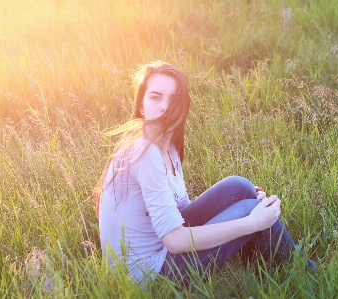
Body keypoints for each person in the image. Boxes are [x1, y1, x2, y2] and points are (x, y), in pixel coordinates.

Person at [96, 61, 316, 285]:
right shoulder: (144, 151)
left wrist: (239, 204)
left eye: (173, 100)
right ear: (141, 105)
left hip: (161, 250)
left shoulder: (167, 147)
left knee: (240, 188)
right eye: (155, 97)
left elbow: (179, 215)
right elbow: (175, 240)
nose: (165, 107)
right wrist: (252, 222)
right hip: (149, 277)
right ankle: (309, 277)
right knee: (251, 210)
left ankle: (260, 270)